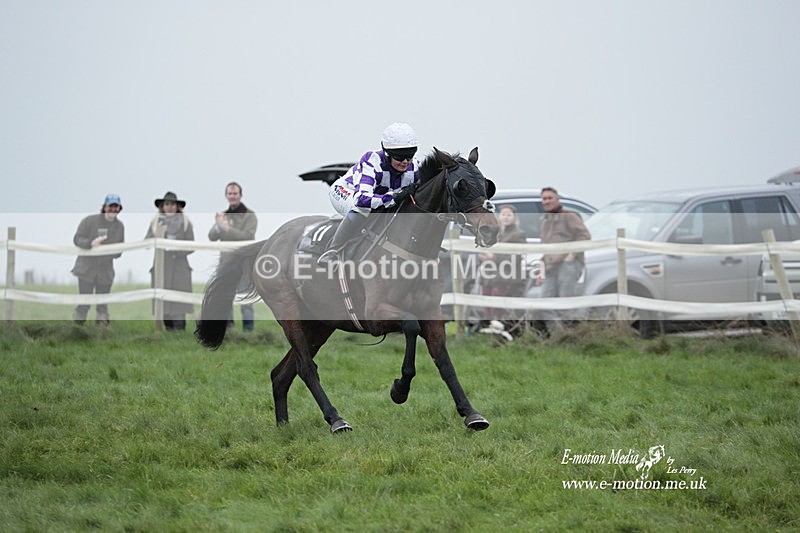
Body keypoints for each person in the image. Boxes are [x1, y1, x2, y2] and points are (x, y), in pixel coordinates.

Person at [318, 122, 421, 265]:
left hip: (378, 197)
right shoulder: (372, 161)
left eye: (409, 156)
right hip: (347, 192)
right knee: (363, 210)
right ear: (387, 153)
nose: (405, 162)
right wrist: (395, 197)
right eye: (399, 157)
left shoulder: (414, 167)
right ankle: (332, 251)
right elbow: (362, 200)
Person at [539, 186, 591, 332]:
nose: (547, 201)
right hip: (550, 267)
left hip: (567, 265)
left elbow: (585, 236)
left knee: (565, 304)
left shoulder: (569, 216)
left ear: (557, 200)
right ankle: (559, 336)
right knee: (545, 304)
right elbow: (545, 247)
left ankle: (572, 336)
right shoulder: (545, 221)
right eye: (544, 199)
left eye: (550, 198)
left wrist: (572, 254)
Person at [209, 181, 258, 331]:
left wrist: (226, 228)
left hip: (243, 264)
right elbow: (211, 236)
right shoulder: (223, 216)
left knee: (245, 297)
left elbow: (248, 235)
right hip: (225, 264)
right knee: (225, 296)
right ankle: (229, 328)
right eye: (230, 193)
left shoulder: (249, 216)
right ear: (226, 196)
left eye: (235, 193)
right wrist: (218, 226)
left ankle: (248, 330)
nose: (232, 196)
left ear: (240, 195)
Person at [71, 193, 125, 326]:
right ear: (104, 207)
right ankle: (77, 330)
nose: (112, 209)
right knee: (84, 302)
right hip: (86, 269)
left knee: (102, 305)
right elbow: (77, 239)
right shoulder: (89, 221)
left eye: (115, 207)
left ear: (119, 209)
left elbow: (120, 249)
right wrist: (91, 243)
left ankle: (102, 333)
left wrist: (109, 251)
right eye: (110, 206)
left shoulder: (120, 226)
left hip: (105, 271)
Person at [146, 191, 195, 331]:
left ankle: (180, 331)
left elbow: (191, 246)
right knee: (164, 302)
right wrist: (155, 236)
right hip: (161, 267)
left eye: (173, 204)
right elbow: (147, 242)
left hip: (180, 267)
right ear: (162, 206)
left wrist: (176, 249)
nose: (170, 207)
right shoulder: (155, 222)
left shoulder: (185, 223)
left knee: (179, 303)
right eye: (167, 204)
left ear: (177, 206)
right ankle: (167, 331)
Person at [477, 205, 527, 338]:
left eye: (509, 214)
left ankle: (498, 326)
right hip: (489, 273)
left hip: (506, 275)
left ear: (514, 217)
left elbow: (516, 256)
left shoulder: (518, 234)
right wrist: (482, 256)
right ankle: (488, 326)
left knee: (497, 297)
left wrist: (494, 257)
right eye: (503, 214)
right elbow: (483, 247)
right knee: (485, 297)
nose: (506, 217)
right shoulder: (494, 232)